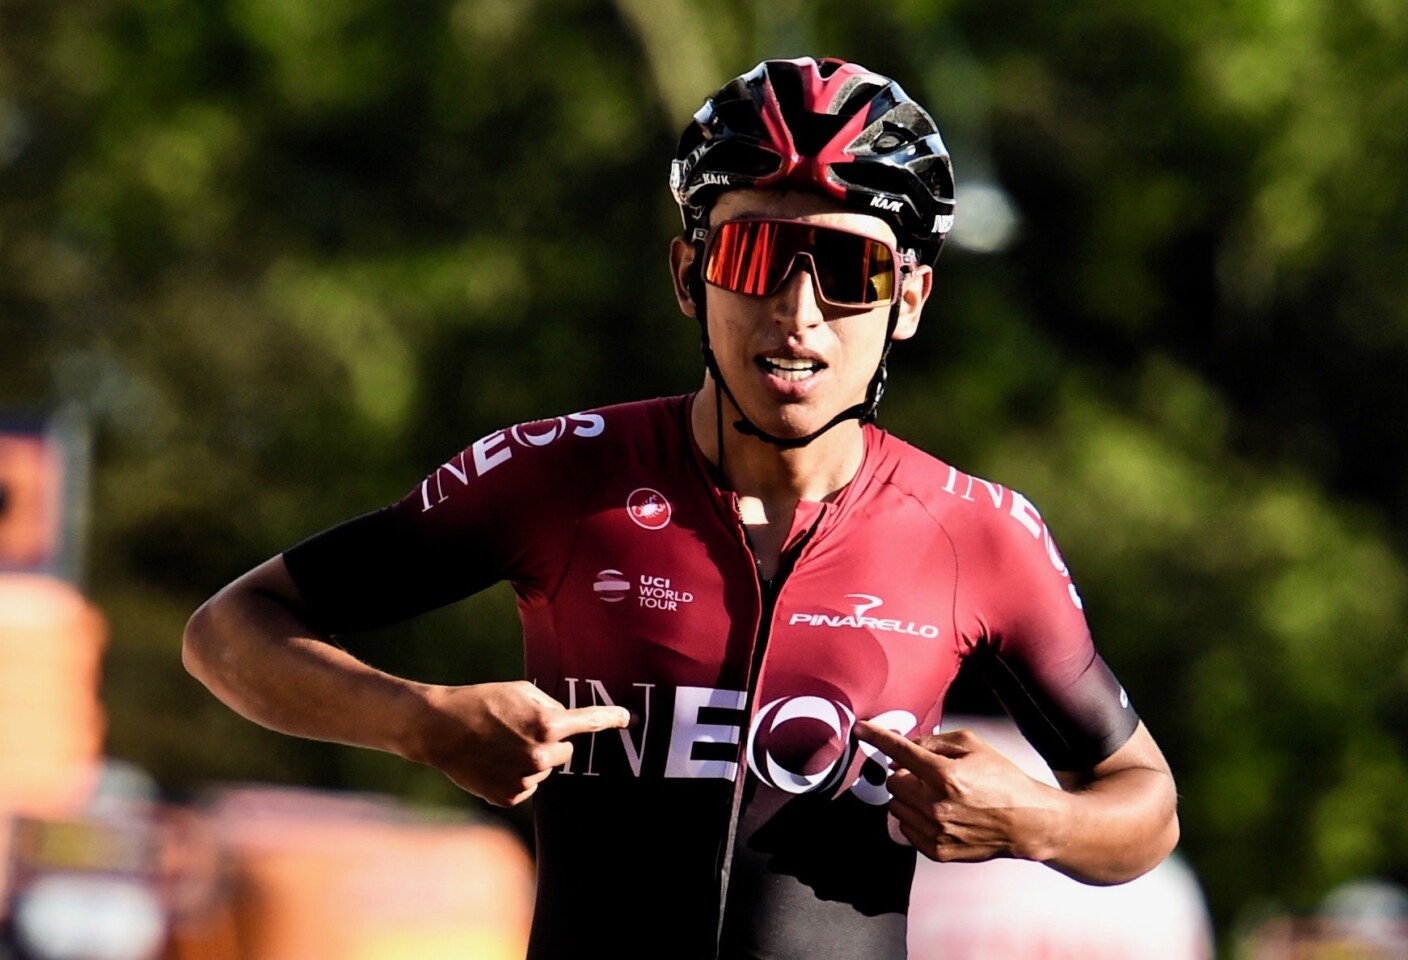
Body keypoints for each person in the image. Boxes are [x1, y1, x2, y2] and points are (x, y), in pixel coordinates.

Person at [182, 56, 1180, 959]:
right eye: (752, 257)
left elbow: (1147, 806)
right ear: (688, 277)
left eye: (847, 270)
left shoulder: (978, 532)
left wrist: (1033, 822)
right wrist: (419, 720)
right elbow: (229, 632)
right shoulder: (561, 475)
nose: (796, 315)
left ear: (909, 300)